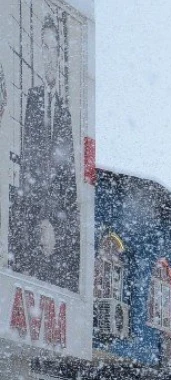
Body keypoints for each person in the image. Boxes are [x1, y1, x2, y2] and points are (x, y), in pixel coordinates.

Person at [11, 13, 80, 291]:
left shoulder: (66, 110)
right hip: (34, 208)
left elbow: (70, 175)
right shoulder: (32, 99)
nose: (48, 56)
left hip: (57, 214)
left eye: (52, 48)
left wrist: (56, 219)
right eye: (44, 47)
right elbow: (28, 159)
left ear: (60, 55)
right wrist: (39, 215)